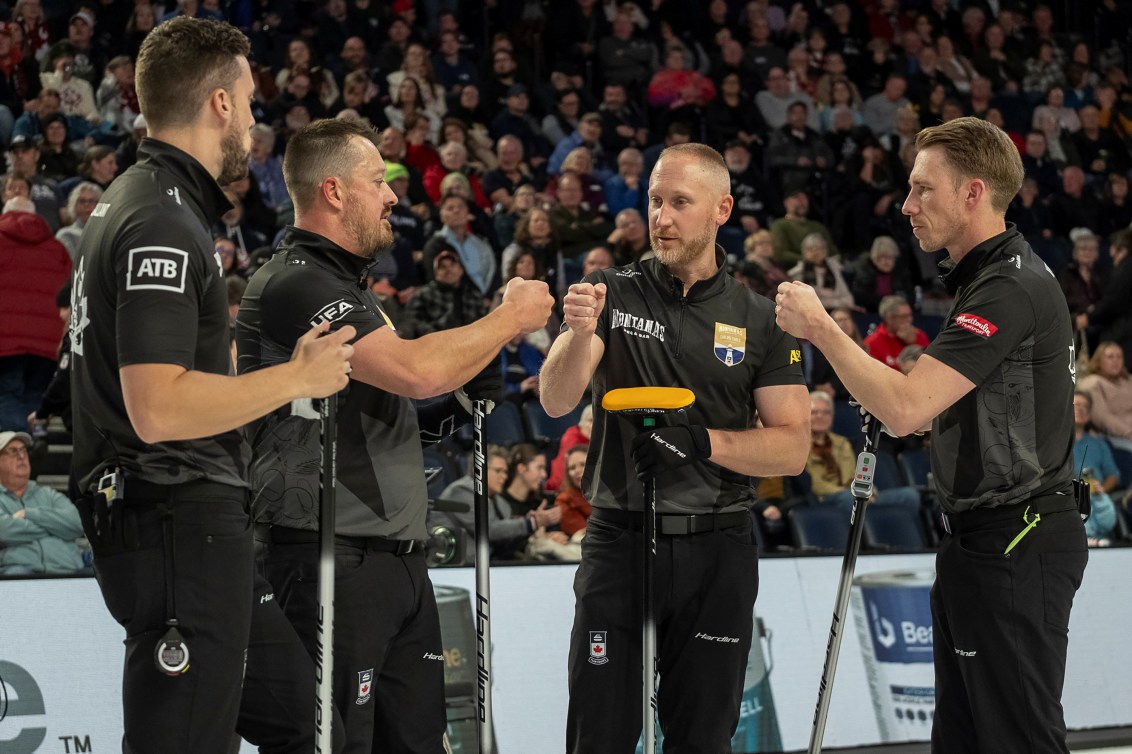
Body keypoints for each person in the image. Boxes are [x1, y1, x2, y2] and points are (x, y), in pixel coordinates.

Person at [68, 18, 356, 753]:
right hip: (173, 514)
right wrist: (295, 378)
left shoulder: (151, 203)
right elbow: (158, 405)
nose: (255, 119)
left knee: (302, 716)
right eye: (251, 100)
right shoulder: (158, 220)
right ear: (219, 104)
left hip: (190, 517)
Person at [235, 117, 554, 752]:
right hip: (327, 553)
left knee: (415, 741)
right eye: (378, 180)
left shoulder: (350, 288)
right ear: (333, 191)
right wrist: (509, 318)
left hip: (397, 560)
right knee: (336, 742)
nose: (393, 195)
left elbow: (391, 412)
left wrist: (452, 412)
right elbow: (416, 371)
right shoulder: (298, 281)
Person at [775, 117, 1088, 754]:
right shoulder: (995, 277)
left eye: (923, 190)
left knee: (1019, 739)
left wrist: (823, 328)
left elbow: (907, 410)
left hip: (1015, 537)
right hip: (985, 539)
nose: (907, 205)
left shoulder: (1008, 287)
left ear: (973, 193)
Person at [540, 142, 810, 752]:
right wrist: (577, 334)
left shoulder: (762, 319)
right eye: (655, 201)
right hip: (619, 542)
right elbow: (556, 400)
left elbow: (792, 449)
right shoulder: (612, 291)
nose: (661, 217)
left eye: (679, 203)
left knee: (702, 739)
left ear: (722, 209)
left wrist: (700, 442)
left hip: (718, 547)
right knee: (598, 736)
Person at [0, 194, 70, 432]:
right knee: (35, 397)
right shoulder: (57, 247)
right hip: (47, 342)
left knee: (6, 395)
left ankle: (18, 447)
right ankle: (34, 442)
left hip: (5, 340)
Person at [806, 391, 920, 511]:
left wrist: (868, 491)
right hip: (825, 498)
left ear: (832, 416)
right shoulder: (800, 446)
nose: (820, 416)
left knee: (909, 495)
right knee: (849, 498)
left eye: (826, 412)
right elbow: (813, 484)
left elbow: (854, 474)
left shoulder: (842, 443)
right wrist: (853, 494)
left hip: (852, 494)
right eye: (814, 412)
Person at [0, 430, 84, 575]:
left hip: (68, 569)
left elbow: (77, 523)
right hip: (19, 571)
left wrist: (29, 514)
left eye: (24, 450)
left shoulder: (48, 494)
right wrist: (56, 528)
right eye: (13, 451)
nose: (21, 456)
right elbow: (4, 532)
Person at [1071, 391, 1119, 546]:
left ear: (1090, 414)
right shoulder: (1055, 442)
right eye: (1076, 404)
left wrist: (1099, 491)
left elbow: (1113, 475)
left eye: (1085, 406)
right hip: (1067, 498)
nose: (1081, 409)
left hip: (1096, 499)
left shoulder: (1099, 444)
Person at [1077, 342, 1132, 454]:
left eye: (1119, 357)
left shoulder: (1128, 380)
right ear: (1099, 360)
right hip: (1112, 436)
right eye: (1110, 357)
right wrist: (1128, 432)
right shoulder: (1093, 382)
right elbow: (1102, 417)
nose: (1115, 361)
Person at [864, 294, 931, 371]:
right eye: (904, 316)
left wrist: (913, 342)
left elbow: (929, 366)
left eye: (910, 315)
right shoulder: (872, 342)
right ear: (889, 319)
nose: (910, 320)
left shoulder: (919, 335)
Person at [554, 444, 592, 539]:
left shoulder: (611, 492)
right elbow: (586, 537)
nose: (577, 471)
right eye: (572, 468)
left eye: (583, 464)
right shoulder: (565, 501)